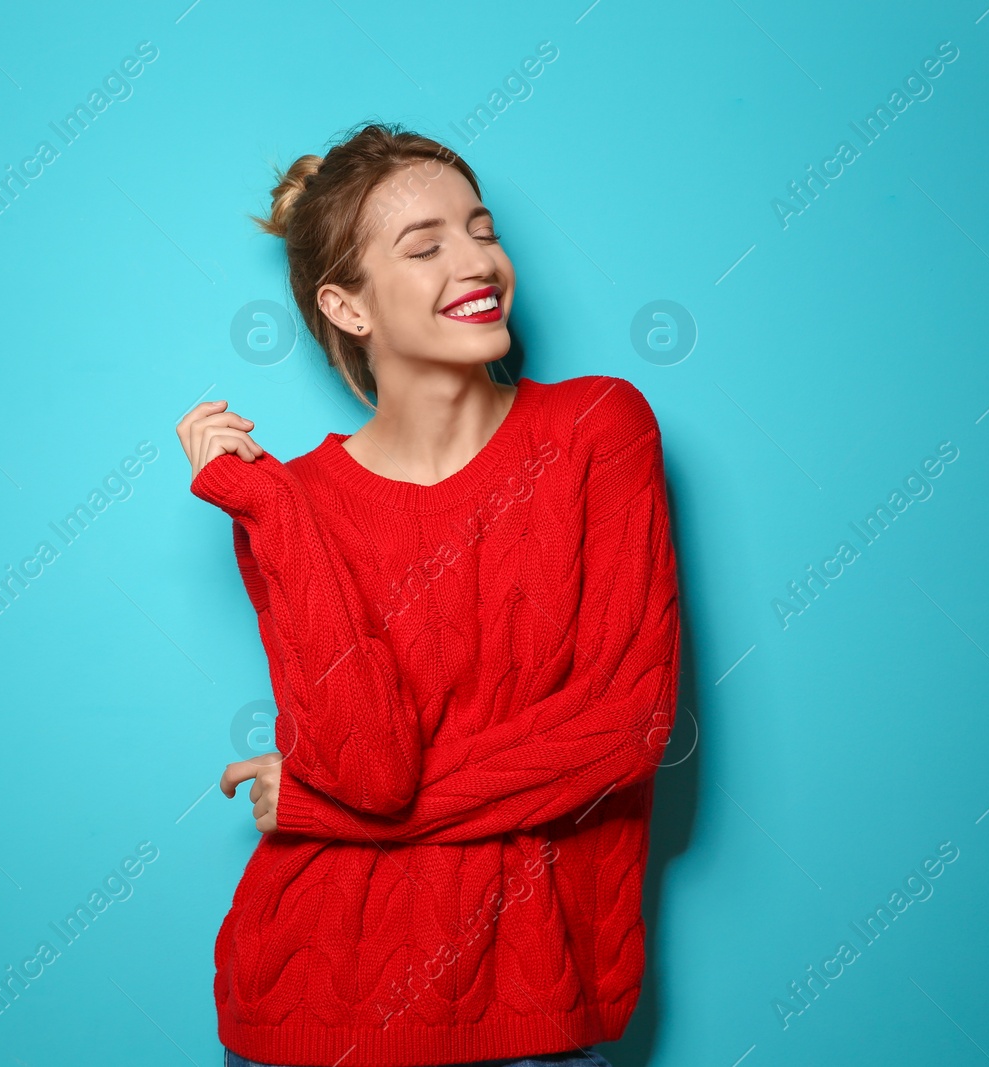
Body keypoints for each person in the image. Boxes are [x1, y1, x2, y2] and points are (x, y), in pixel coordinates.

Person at [175, 121, 680, 1067]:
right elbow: (370, 766)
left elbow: (623, 726)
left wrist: (320, 809)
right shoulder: (298, 505)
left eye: (481, 228)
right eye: (427, 245)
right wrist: (270, 511)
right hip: (309, 1002)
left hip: (531, 1008)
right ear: (348, 307)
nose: (476, 259)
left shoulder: (597, 430)